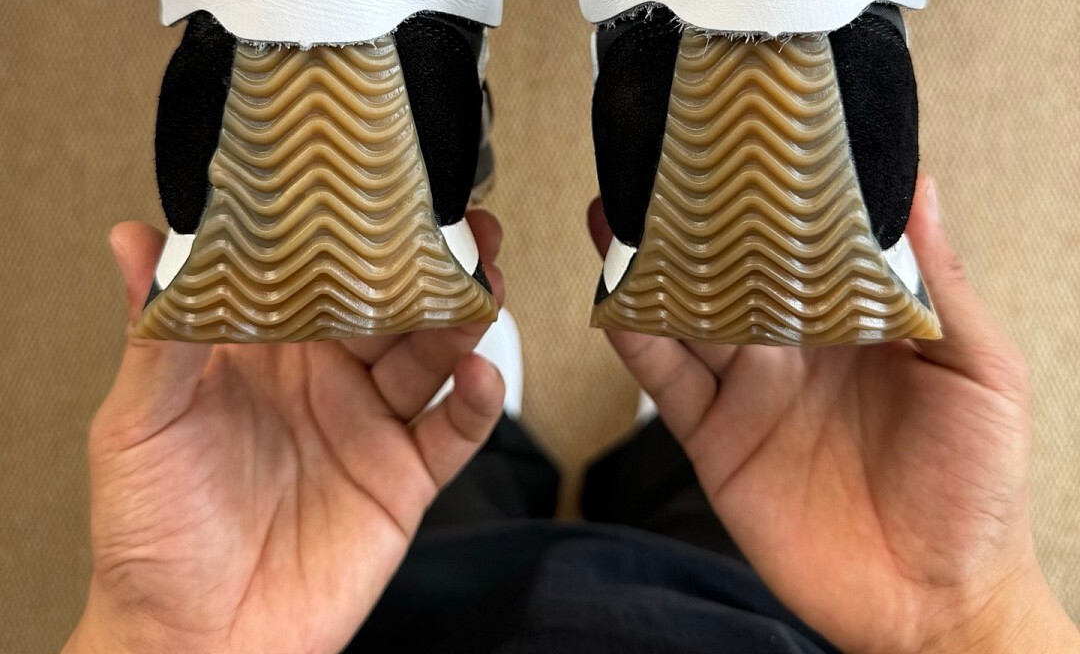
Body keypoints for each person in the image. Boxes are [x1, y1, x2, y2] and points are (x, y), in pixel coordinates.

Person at [63, 176, 1077, 653]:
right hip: (745, 619)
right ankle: (660, 445)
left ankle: (525, 444)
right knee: (718, 494)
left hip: (389, 621)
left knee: (433, 487)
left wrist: (174, 643)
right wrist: (960, 614)